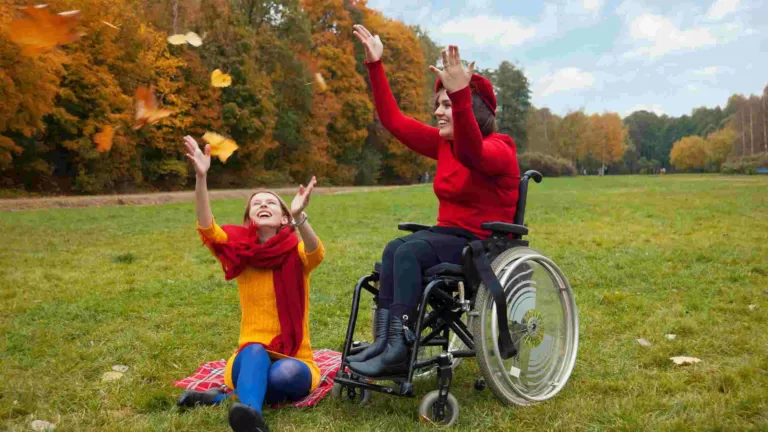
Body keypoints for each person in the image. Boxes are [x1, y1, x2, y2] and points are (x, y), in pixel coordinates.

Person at [346, 25, 520, 378]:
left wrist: (459, 94)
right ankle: (386, 342)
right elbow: (394, 121)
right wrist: (375, 66)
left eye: (447, 104)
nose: (437, 112)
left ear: (472, 109)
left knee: (409, 251)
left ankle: (401, 346)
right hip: (449, 238)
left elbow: (473, 153)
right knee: (395, 248)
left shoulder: (500, 149)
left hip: (483, 246)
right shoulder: (444, 144)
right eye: (437, 104)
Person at [176, 136, 325, 432]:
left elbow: (316, 251)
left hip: (295, 358)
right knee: (256, 351)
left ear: (284, 218)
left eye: (271, 202)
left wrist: (300, 217)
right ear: (250, 220)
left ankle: (226, 400)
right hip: (248, 358)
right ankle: (251, 419)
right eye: (257, 204)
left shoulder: (295, 254)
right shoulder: (239, 254)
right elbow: (208, 229)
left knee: (282, 376)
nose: (264, 204)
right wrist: (201, 178)